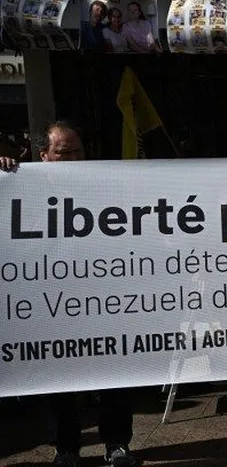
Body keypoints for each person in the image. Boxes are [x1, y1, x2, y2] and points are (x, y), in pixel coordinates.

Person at [0, 122, 138, 467]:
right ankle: (66, 448)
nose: (74, 158)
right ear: (44, 156)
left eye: (78, 151)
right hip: (51, 300)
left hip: (100, 296)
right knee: (57, 375)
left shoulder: (104, 185)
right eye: (64, 153)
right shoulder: (21, 185)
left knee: (113, 371)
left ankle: (117, 443)